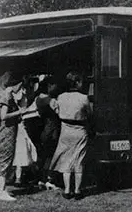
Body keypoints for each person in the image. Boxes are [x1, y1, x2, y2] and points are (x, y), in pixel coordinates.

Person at [50, 72, 92, 200]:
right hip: (80, 130)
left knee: (66, 159)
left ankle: (67, 190)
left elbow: (57, 111)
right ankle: (77, 190)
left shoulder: (61, 97)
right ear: (78, 83)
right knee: (79, 159)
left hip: (66, 130)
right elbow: (89, 114)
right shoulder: (84, 98)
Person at [0, 74, 27, 201]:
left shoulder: (9, 96)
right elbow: (3, 116)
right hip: (6, 132)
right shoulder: (6, 97)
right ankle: (1, 191)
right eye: (20, 86)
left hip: (10, 132)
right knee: (4, 158)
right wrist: (19, 112)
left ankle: (3, 189)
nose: (20, 89)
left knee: (7, 158)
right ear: (15, 85)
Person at [35, 77, 61, 190]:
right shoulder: (49, 100)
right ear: (49, 86)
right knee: (51, 155)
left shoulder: (38, 98)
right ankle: (49, 179)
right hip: (52, 129)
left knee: (43, 155)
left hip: (42, 129)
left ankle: (41, 179)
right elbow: (58, 111)